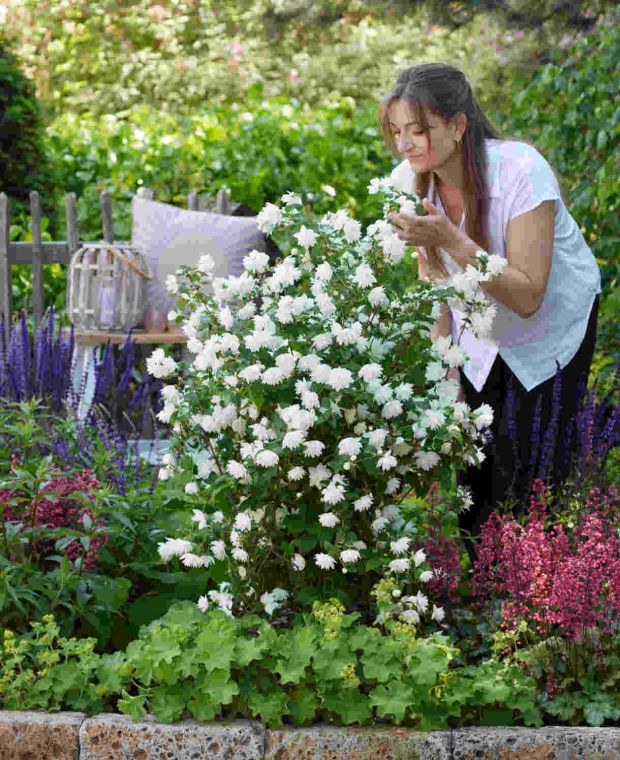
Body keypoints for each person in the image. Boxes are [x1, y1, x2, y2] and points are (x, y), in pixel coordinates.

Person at [378, 63, 601, 555]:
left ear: (457, 126)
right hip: (477, 329)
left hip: (549, 329)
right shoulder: (408, 181)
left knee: (532, 474)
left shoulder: (521, 169)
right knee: (475, 478)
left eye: (419, 131)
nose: (405, 145)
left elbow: (527, 296)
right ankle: (485, 603)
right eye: (396, 132)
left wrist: (453, 239)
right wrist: (444, 383)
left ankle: (544, 602)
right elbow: (435, 289)